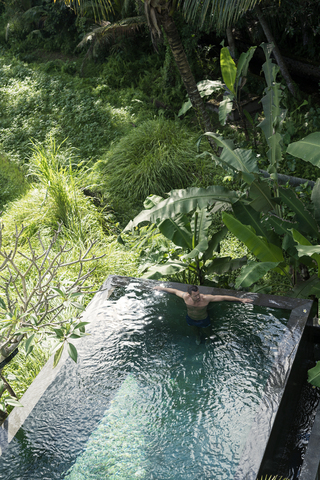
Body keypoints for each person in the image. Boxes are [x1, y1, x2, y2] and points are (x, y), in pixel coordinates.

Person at [154, 284, 253, 345]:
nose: (198, 297)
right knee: (194, 330)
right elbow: (174, 291)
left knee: (207, 331)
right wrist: (161, 288)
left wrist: (241, 299)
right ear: (189, 295)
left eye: (198, 294)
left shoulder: (205, 298)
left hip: (203, 319)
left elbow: (223, 297)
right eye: (195, 295)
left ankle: (208, 339)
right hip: (190, 319)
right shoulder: (185, 296)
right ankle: (198, 337)